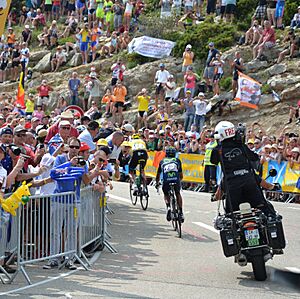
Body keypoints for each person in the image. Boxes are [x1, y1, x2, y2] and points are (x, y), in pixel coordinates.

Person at [210, 121, 276, 216]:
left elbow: (213, 161)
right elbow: (254, 157)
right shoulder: (241, 146)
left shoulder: (217, 150)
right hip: (250, 185)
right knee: (268, 213)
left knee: (230, 217)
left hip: (232, 187)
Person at [155, 146, 184, 222]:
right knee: (178, 193)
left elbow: (158, 175)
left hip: (166, 180)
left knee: (166, 193)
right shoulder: (177, 160)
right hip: (175, 179)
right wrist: (179, 181)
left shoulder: (162, 161)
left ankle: (168, 207)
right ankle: (180, 212)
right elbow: (181, 175)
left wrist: (157, 183)